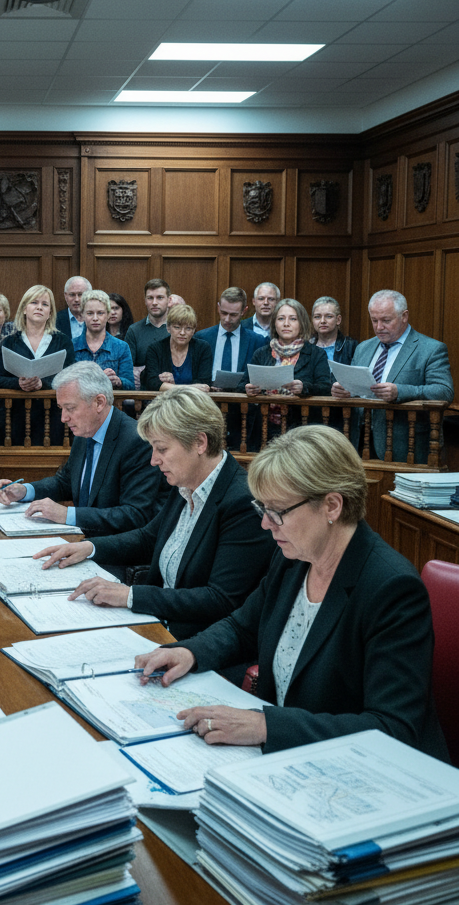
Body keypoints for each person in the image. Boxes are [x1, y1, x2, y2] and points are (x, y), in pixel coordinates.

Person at [134, 426, 448, 761]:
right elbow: (242, 628)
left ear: (331, 506)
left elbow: (392, 728)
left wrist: (266, 726)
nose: (265, 524)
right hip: (292, 758)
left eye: (278, 512)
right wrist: (189, 652)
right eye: (263, 509)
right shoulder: (296, 557)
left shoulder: (391, 588)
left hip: (366, 770)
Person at [34, 387, 273, 640]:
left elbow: (220, 599)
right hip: (156, 623)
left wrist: (130, 596)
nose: (153, 460)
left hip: (192, 641)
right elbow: (148, 538)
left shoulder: (242, 503)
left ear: (200, 443)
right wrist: (89, 548)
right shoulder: (186, 480)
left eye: (162, 449)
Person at [0, 362, 163, 536]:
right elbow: (65, 482)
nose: (63, 418)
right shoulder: (86, 430)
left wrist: (66, 514)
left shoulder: (136, 441)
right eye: (61, 409)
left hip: (110, 545)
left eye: (70, 408)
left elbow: (134, 515)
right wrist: (25, 491)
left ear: (99, 402)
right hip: (80, 539)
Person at [332, 289, 453, 463]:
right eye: (374, 320)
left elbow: (444, 391)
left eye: (386, 320)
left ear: (404, 316)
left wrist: (400, 391)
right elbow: (357, 386)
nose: (379, 327)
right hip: (360, 441)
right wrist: (345, 389)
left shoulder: (431, 349)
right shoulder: (363, 348)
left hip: (405, 445)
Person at [0, 284, 75, 446]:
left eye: (45, 304)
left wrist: (43, 384)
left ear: (50, 313)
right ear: (24, 309)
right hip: (16, 417)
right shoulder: (9, 342)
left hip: (52, 417)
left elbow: (70, 379)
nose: (39, 307)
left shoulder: (63, 342)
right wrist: (18, 383)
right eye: (34, 302)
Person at [243, 297, 332, 399]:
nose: (286, 324)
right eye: (281, 319)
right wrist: (249, 389)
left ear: (302, 323)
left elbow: (326, 388)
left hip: (299, 409)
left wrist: (304, 388)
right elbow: (242, 385)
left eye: (293, 319)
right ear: (274, 323)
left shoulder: (316, 354)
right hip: (265, 408)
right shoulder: (261, 353)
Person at [197, 287, 267, 387]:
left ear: (244, 311)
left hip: (242, 395)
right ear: (218, 307)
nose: (227, 319)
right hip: (208, 395)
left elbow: (260, 379)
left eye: (233, 315)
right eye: (224, 313)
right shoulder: (201, 338)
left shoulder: (257, 341)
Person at [143, 303, 213, 391]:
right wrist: (190, 387)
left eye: (188, 328)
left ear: (193, 330)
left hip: (193, 399)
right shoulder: (155, 349)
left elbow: (204, 384)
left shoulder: (203, 348)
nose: (182, 333)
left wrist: (170, 386)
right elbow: (152, 383)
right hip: (163, 398)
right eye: (177, 327)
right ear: (168, 328)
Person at [73, 289, 134, 390]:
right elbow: (64, 383)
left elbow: (131, 385)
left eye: (100, 313)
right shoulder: (71, 346)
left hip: (110, 399)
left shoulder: (121, 347)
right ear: (82, 315)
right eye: (90, 313)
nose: (95, 318)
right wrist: (100, 378)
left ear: (108, 315)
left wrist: (118, 381)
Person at [123, 278, 171, 388]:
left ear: (168, 300)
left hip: (173, 390)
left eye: (160, 297)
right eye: (150, 298)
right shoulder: (134, 330)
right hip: (143, 392)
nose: (154, 303)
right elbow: (127, 368)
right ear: (145, 301)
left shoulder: (179, 329)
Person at [310, 296, 357, 365]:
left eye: (328, 316)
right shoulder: (305, 346)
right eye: (317, 317)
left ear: (338, 320)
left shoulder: (351, 347)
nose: (322, 321)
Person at [54, 275, 91, 342]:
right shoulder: (55, 320)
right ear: (66, 296)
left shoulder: (97, 319)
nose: (76, 299)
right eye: (72, 295)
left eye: (80, 294)